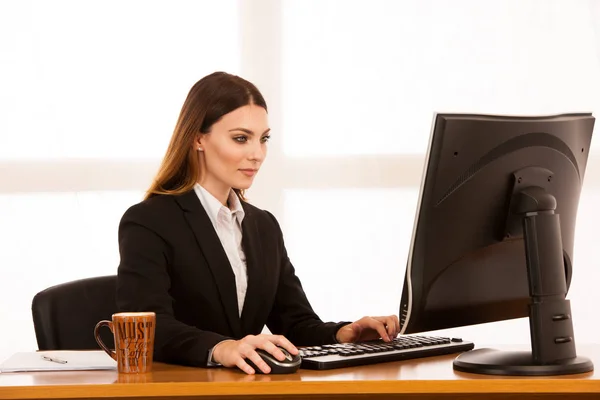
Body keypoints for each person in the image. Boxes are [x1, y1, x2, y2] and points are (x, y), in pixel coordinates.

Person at [116, 71, 400, 375]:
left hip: (247, 389)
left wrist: (345, 333)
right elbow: (148, 327)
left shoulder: (263, 226)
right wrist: (222, 348)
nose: (257, 154)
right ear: (198, 138)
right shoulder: (149, 221)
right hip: (183, 391)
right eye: (241, 138)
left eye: (263, 139)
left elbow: (294, 324)